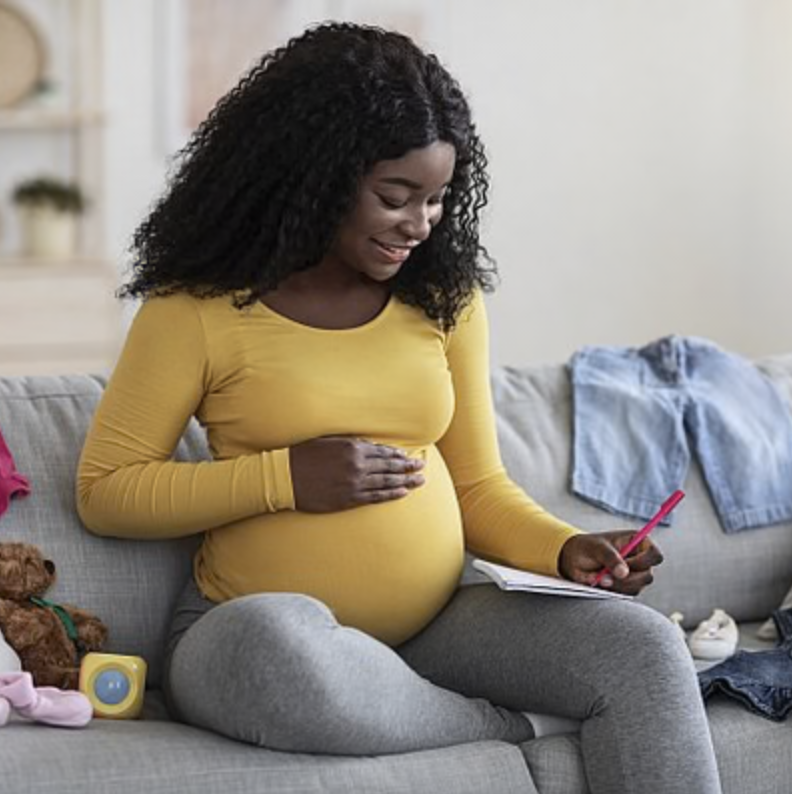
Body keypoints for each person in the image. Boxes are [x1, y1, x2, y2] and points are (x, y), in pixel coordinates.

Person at [76, 22, 722, 794]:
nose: (420, 223)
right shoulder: (195, 310)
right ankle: (507, 726)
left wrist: (563, 549)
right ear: (315, 178)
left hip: (440, 626)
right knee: (276, 648)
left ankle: (424, 707)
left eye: (438, 199)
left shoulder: (443, 301)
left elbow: (478, 487)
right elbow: (107, 489)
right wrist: (286, 478)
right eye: (395, 197)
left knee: (641, 648)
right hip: (248, 628)